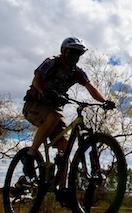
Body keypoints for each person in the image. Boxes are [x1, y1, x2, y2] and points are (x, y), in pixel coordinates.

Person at [21, 37, 114, 178]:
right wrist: (44, 92)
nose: (75, 57)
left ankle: (61, 187)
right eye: (73, 52)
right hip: (35, 103)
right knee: (53, 117)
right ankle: (30, 154)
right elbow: (37, 79)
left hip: (55, 107)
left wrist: (105, 101)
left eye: (78, 54)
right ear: (64, 51)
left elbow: (91, 88)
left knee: (64, 146)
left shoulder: (76, 72)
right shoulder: (51, 63)